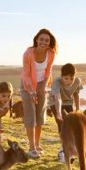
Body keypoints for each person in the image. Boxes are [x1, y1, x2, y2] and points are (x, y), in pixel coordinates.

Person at [21, 28, 57, 158]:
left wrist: (43, 86)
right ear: (36, 39)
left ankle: (37, 143)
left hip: (42, 84)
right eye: (41, 39)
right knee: (31, 116)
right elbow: (25, 74)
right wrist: (31, 91)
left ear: (49, 42)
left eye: (47, 40)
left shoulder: (51, 53)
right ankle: (31, 147)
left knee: (40, 115)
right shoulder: (28, 53)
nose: (44, 42)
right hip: (27, 85)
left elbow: (48, 71)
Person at [48, 63, 83, 132]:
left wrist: (78, 109)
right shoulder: (56, 82)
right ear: (61, 76)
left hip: (68, 101)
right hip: (54, 101)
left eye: (71, 78)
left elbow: (76, 95)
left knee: (72, 121)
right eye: (66, 78)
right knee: (61, 122)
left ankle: (71, 139)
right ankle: (63, 138)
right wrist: (58, 112)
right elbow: (57, 97)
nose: (69, 81)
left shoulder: (77, 81)